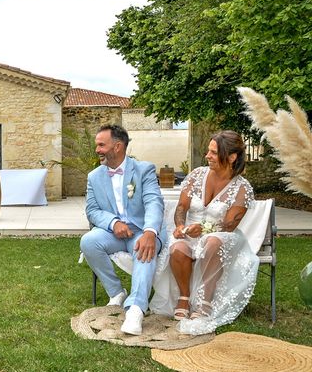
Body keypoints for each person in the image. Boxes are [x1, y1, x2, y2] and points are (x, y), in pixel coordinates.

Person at [150, 130, 259, 335]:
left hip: (221, 235)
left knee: (213, 242)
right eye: (208, 151)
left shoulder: (242, 188)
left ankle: (205, 302)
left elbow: (229, 226)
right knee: (179, 247)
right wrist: (181, 226)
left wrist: (205, 229)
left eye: (213, 152)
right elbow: (181, 208)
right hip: (191, 232)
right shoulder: (197, 175)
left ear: (232, 157)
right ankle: (184, 297)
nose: (207, 156)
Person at [80, 124, 166, 335]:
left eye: (101, 145)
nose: (97, 149)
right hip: (113, 233)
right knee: (88, 242)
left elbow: (154, 202)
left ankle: (136, 309)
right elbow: (92, 210)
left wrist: (150, 232)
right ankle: (117, 292)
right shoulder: (94, 176)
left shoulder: (144, 169)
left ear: (117, 146)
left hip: (141, 230)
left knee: (144, 248)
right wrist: (113, 223)